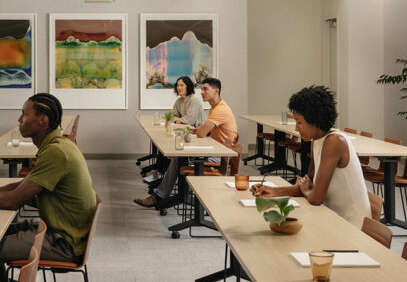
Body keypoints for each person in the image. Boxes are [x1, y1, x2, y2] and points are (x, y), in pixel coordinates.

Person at [0, 93, 97, 281]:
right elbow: (17, 187)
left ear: (43, 120)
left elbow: (13, 201)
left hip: (63, 243)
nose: (19, 119)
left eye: (24, 114)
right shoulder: (56, 145)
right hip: (60, 230)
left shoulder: (56, 152)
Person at [251, 85, 369, 228]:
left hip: (352, 225)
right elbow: (310, 184)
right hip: (331, 215)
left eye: (299, 122)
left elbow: (315, 197)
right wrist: (272, 191)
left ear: (315, 119)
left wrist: (306, 189)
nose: (296, 128)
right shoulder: (316, 141)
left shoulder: (334, 142)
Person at [135, 77, 238, 209]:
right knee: (177, 156)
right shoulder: (215, 107)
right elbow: (200, 128)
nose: (202, 92)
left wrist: (199, 129)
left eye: (205, 89)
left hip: (218, 156)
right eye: (202, 89)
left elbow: (200, 132)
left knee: (178, 158)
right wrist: (199, 129)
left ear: (216, 91)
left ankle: (163, 196)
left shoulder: (219, 109)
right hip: (213, 148)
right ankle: (165, 193)